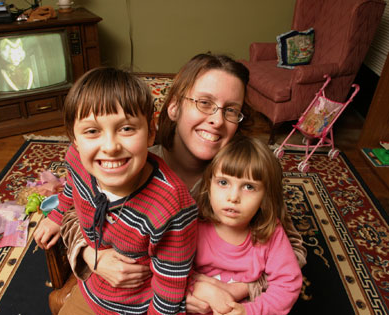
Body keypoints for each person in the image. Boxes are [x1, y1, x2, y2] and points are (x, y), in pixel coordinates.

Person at [36, 53, 307, 313]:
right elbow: (78, 209)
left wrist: (238, 288)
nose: (216, 119)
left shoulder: (241, 177)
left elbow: (289, 250)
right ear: (174, 107)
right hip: (119, 290)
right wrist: (90, 255)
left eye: (231, 111)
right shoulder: (128, 161)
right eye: (204, 103)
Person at [34, 67, 198, 314]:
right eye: (92, 131)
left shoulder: (171, 206)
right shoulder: (76, 160)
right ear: (75, 139)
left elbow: (169, 290)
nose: (110, 147)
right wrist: (57, 217)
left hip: (136, 309)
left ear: (151, 132)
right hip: (90, 291)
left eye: (127, 129)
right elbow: (71, 188)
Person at [190, 135, 302, 314]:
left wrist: (250, 311)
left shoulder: (272, 232)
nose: (233, 197)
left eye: (249, 187)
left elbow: (288, 283)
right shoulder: (193, 224)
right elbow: (169, 268)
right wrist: (198, 288)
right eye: (223, 182)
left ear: (265, 196)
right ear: (208, 185)